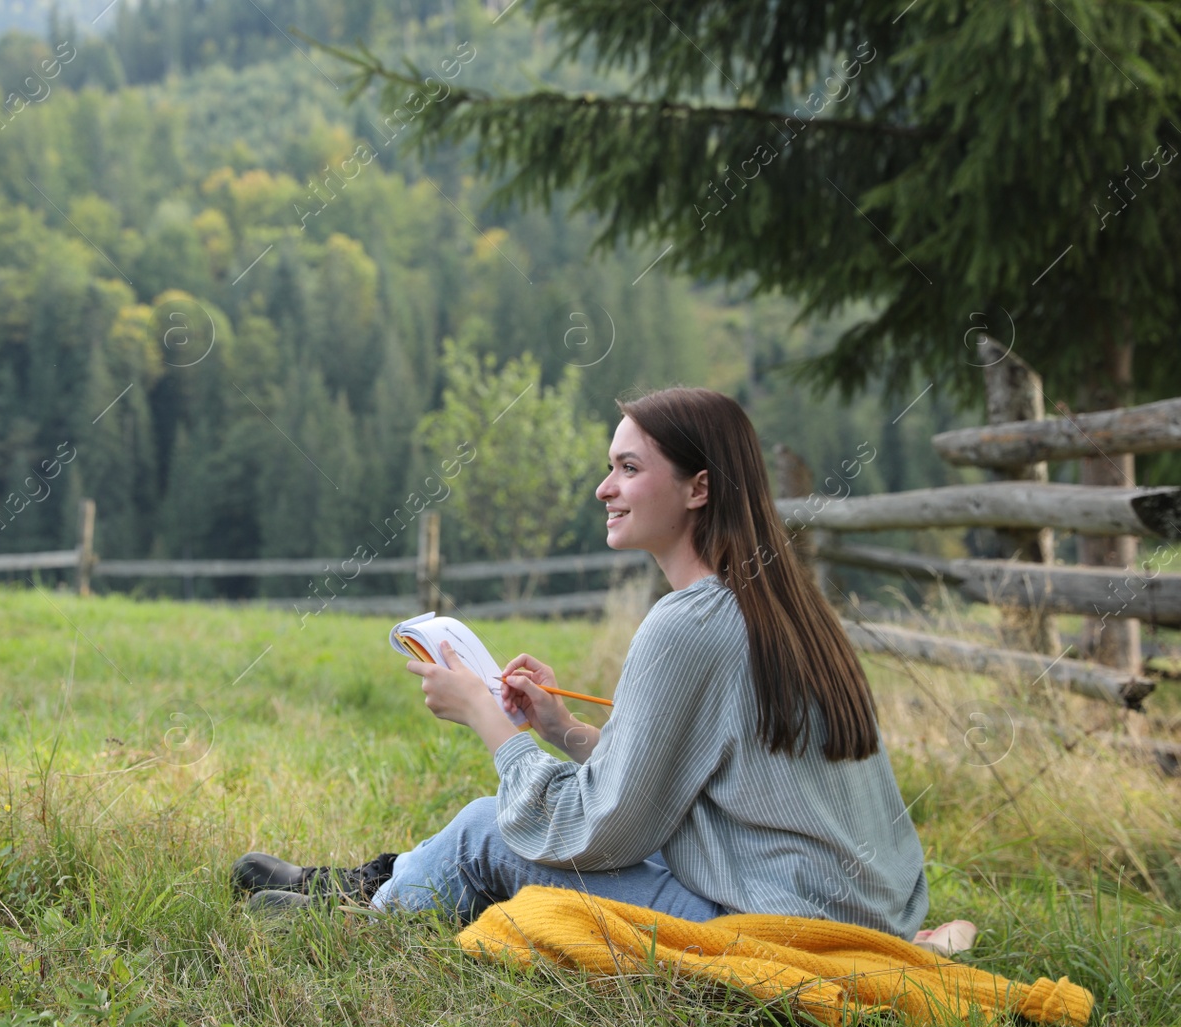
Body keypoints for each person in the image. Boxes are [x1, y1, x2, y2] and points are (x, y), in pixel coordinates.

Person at [232, 387, 929, 940]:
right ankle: (376, 882)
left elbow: (597, 829)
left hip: (778, 928)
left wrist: (485, 716)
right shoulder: (787, 608)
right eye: (609, 465)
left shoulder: (687, 624)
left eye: (629, 468)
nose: (605, 487)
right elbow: (684, 781)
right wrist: (562, 729)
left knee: (488, 827)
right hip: (859, 915)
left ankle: (366, 920)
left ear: (698, 488)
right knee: (510, 822)